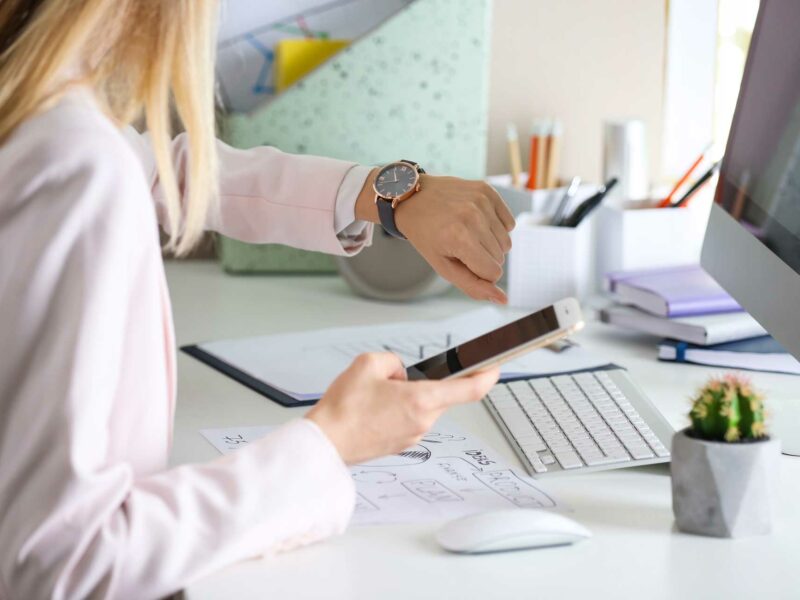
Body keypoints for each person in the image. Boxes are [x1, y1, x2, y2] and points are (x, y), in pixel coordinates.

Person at [0, 1, 514, 598]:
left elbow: (164, 168)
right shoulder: (73, 162)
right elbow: (57, 560)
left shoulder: (40, 116)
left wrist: (386, 193)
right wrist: (329, 444)